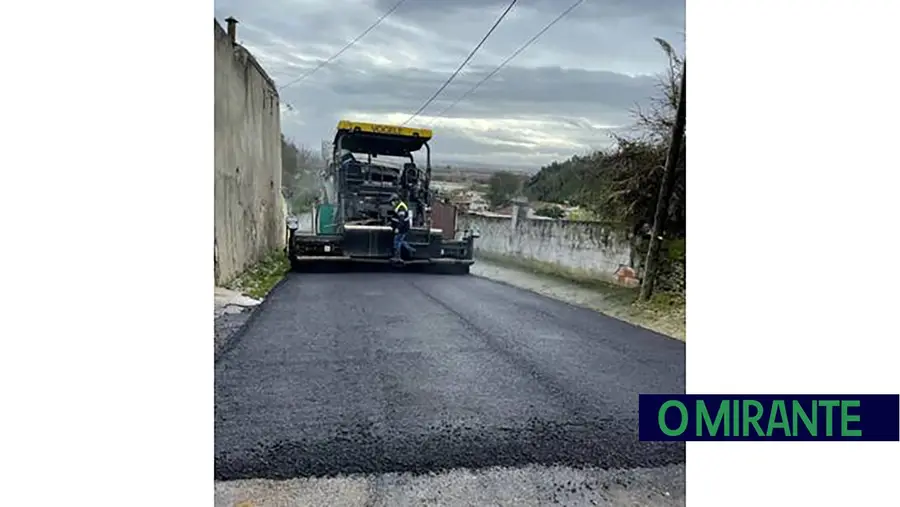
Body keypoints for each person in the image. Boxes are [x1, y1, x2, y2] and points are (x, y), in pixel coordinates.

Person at [389, 194, 415, 261]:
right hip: (403, 227)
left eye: (392, 202)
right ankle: (411, 250)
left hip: (402, 228)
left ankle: (397, 257)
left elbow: (401, 220)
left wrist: (398, 228)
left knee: (397, 241)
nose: (392, 204)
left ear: (395, 201)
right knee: (401, 241)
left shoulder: (401, 207)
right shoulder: (399, 205)